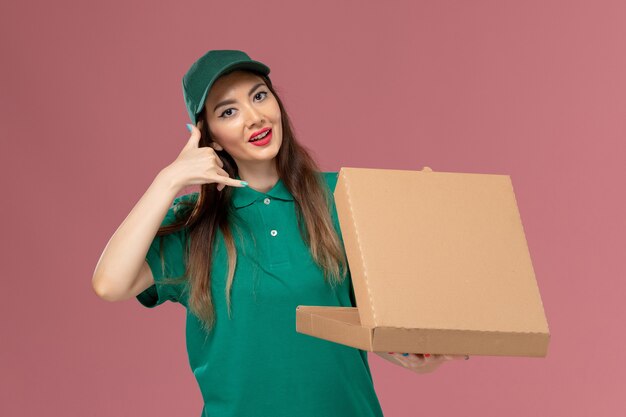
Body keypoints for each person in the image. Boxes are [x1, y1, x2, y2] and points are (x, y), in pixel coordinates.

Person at [92, 49, 465, 417]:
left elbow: (360, 319)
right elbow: (110, 283)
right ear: (211, 138)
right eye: (229, 111)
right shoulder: (194, 226)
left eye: (259, 96)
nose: (254, 118)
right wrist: (168, 180)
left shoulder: (340, 196)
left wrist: (416, 354)